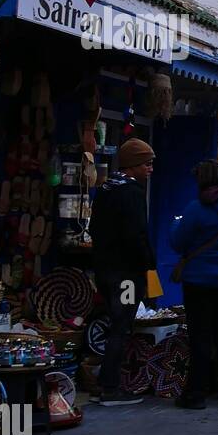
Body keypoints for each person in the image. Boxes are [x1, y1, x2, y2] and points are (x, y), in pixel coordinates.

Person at [169, 159, 218, 409]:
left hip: (199, 278)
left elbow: (178, 242)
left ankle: (196, 393)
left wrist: (176, 223)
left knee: (200, 335)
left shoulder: (197, 208)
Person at [88, 138, 155, 406]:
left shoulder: (106, 189)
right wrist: (148, 267)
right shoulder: (132, 193)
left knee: (115, 322)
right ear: (132, 165)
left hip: (105, 269)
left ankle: (105, 381)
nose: (150, 168)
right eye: (146, 164)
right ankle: (110, 386)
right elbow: (136, 236)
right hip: (126, 274)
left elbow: (95, 229)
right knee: (121, 326)